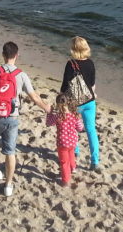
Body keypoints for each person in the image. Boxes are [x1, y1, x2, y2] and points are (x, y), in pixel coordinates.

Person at [0, 41, 50, 197]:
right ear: (17, 55)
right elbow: (34, 97)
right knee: (10, 152)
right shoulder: (21, 75)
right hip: (12, 118)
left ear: (3, 55)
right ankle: (8, 185)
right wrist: (46, 107)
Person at [61, 36, 101, 171]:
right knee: (91, 130)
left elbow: (64, 86)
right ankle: (95, 161)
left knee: (72, 129)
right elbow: (92, 85)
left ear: (73, 49)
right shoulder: (90, 63)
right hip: (89, 102)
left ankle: (75, 153)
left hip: (74, 104)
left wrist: (62, 98)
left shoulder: (70, 64)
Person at [45, 92, 84, 186]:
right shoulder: (74, 115)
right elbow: (80, 128)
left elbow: (48, 123)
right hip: (73, 141)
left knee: (64, 162)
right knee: (71, 154)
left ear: (58, 104)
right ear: (69, 103)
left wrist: (49, 113)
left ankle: (66, 180)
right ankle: (72, 168)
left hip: (62, 142)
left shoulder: (58, 116)